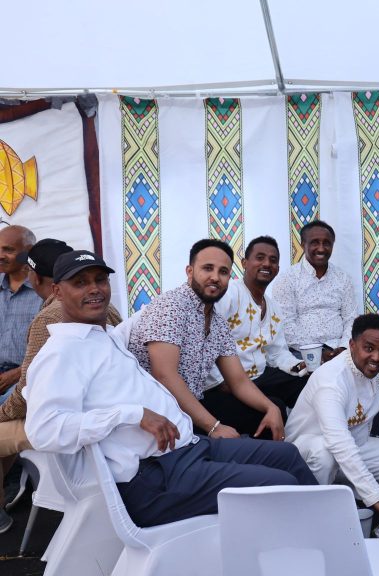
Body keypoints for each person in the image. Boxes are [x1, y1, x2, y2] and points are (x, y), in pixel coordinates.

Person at [24, 251, 317, 527]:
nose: (94, 289)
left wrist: (268, 408)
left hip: (187, 448)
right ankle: (302, 550)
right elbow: (43, 430)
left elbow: (236, 379)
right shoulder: (62, 352)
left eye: (100, 280)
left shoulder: (105, 336)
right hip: (152, 476)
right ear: (57, 292)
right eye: (80, 283)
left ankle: (329, 533)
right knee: (280, 486)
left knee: (287, 455)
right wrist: (133, 414)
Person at [128, 239, 286, 441]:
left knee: (273, 410)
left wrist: (271, 408)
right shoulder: (171, 306)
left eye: (223, 272)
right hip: (158, 412)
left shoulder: (217, 322)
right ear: (190, 271)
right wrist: (214, 427)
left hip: (190, 404)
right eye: (207, 268)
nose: (215, 277)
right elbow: (165, 375)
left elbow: (238, 381)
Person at [1, 239, 103, 533]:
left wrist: (3, 413)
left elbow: (27, 391)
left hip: (67, 420)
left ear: (35, 278)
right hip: (88, 412)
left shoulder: (50, 316)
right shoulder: (104, 307)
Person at [286, 314, 379, 510]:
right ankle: (315, 509)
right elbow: (339, 444)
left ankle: (355, 495)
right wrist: (377, 499)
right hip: (309, 453)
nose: (376, 358)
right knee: (325, 454)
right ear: (352, 345)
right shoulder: (331, 381)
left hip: (357, 445)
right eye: (369, 348)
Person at [204, 236, 307, 409]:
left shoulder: (274, 308)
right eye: (260, 258)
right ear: (244, 263)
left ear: (277, 268)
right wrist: (220, 382)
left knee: (307, 384)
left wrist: (298, 366)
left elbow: (277, 352)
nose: (267, 264)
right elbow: (204, 343)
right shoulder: (228, 294)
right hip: (226, 383)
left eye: (273, 260)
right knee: (276, 407)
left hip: (259, 377)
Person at [272, 220, 358, 364]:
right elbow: (285, 324)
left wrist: (344, 348)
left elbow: (351, 319)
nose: (321, 248)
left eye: (327, 243)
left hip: (340, 351)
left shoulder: (342, 278)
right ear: (303, 245)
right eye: (314, 243)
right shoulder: (288, 279)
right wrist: (318, 352)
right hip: (301, 353)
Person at [0, 225, 42, 397]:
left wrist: (18, 373)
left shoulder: (45, 291)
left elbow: (53, 347)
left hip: (29, 377)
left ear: (29, 252)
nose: (0, 255)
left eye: (8, 250)